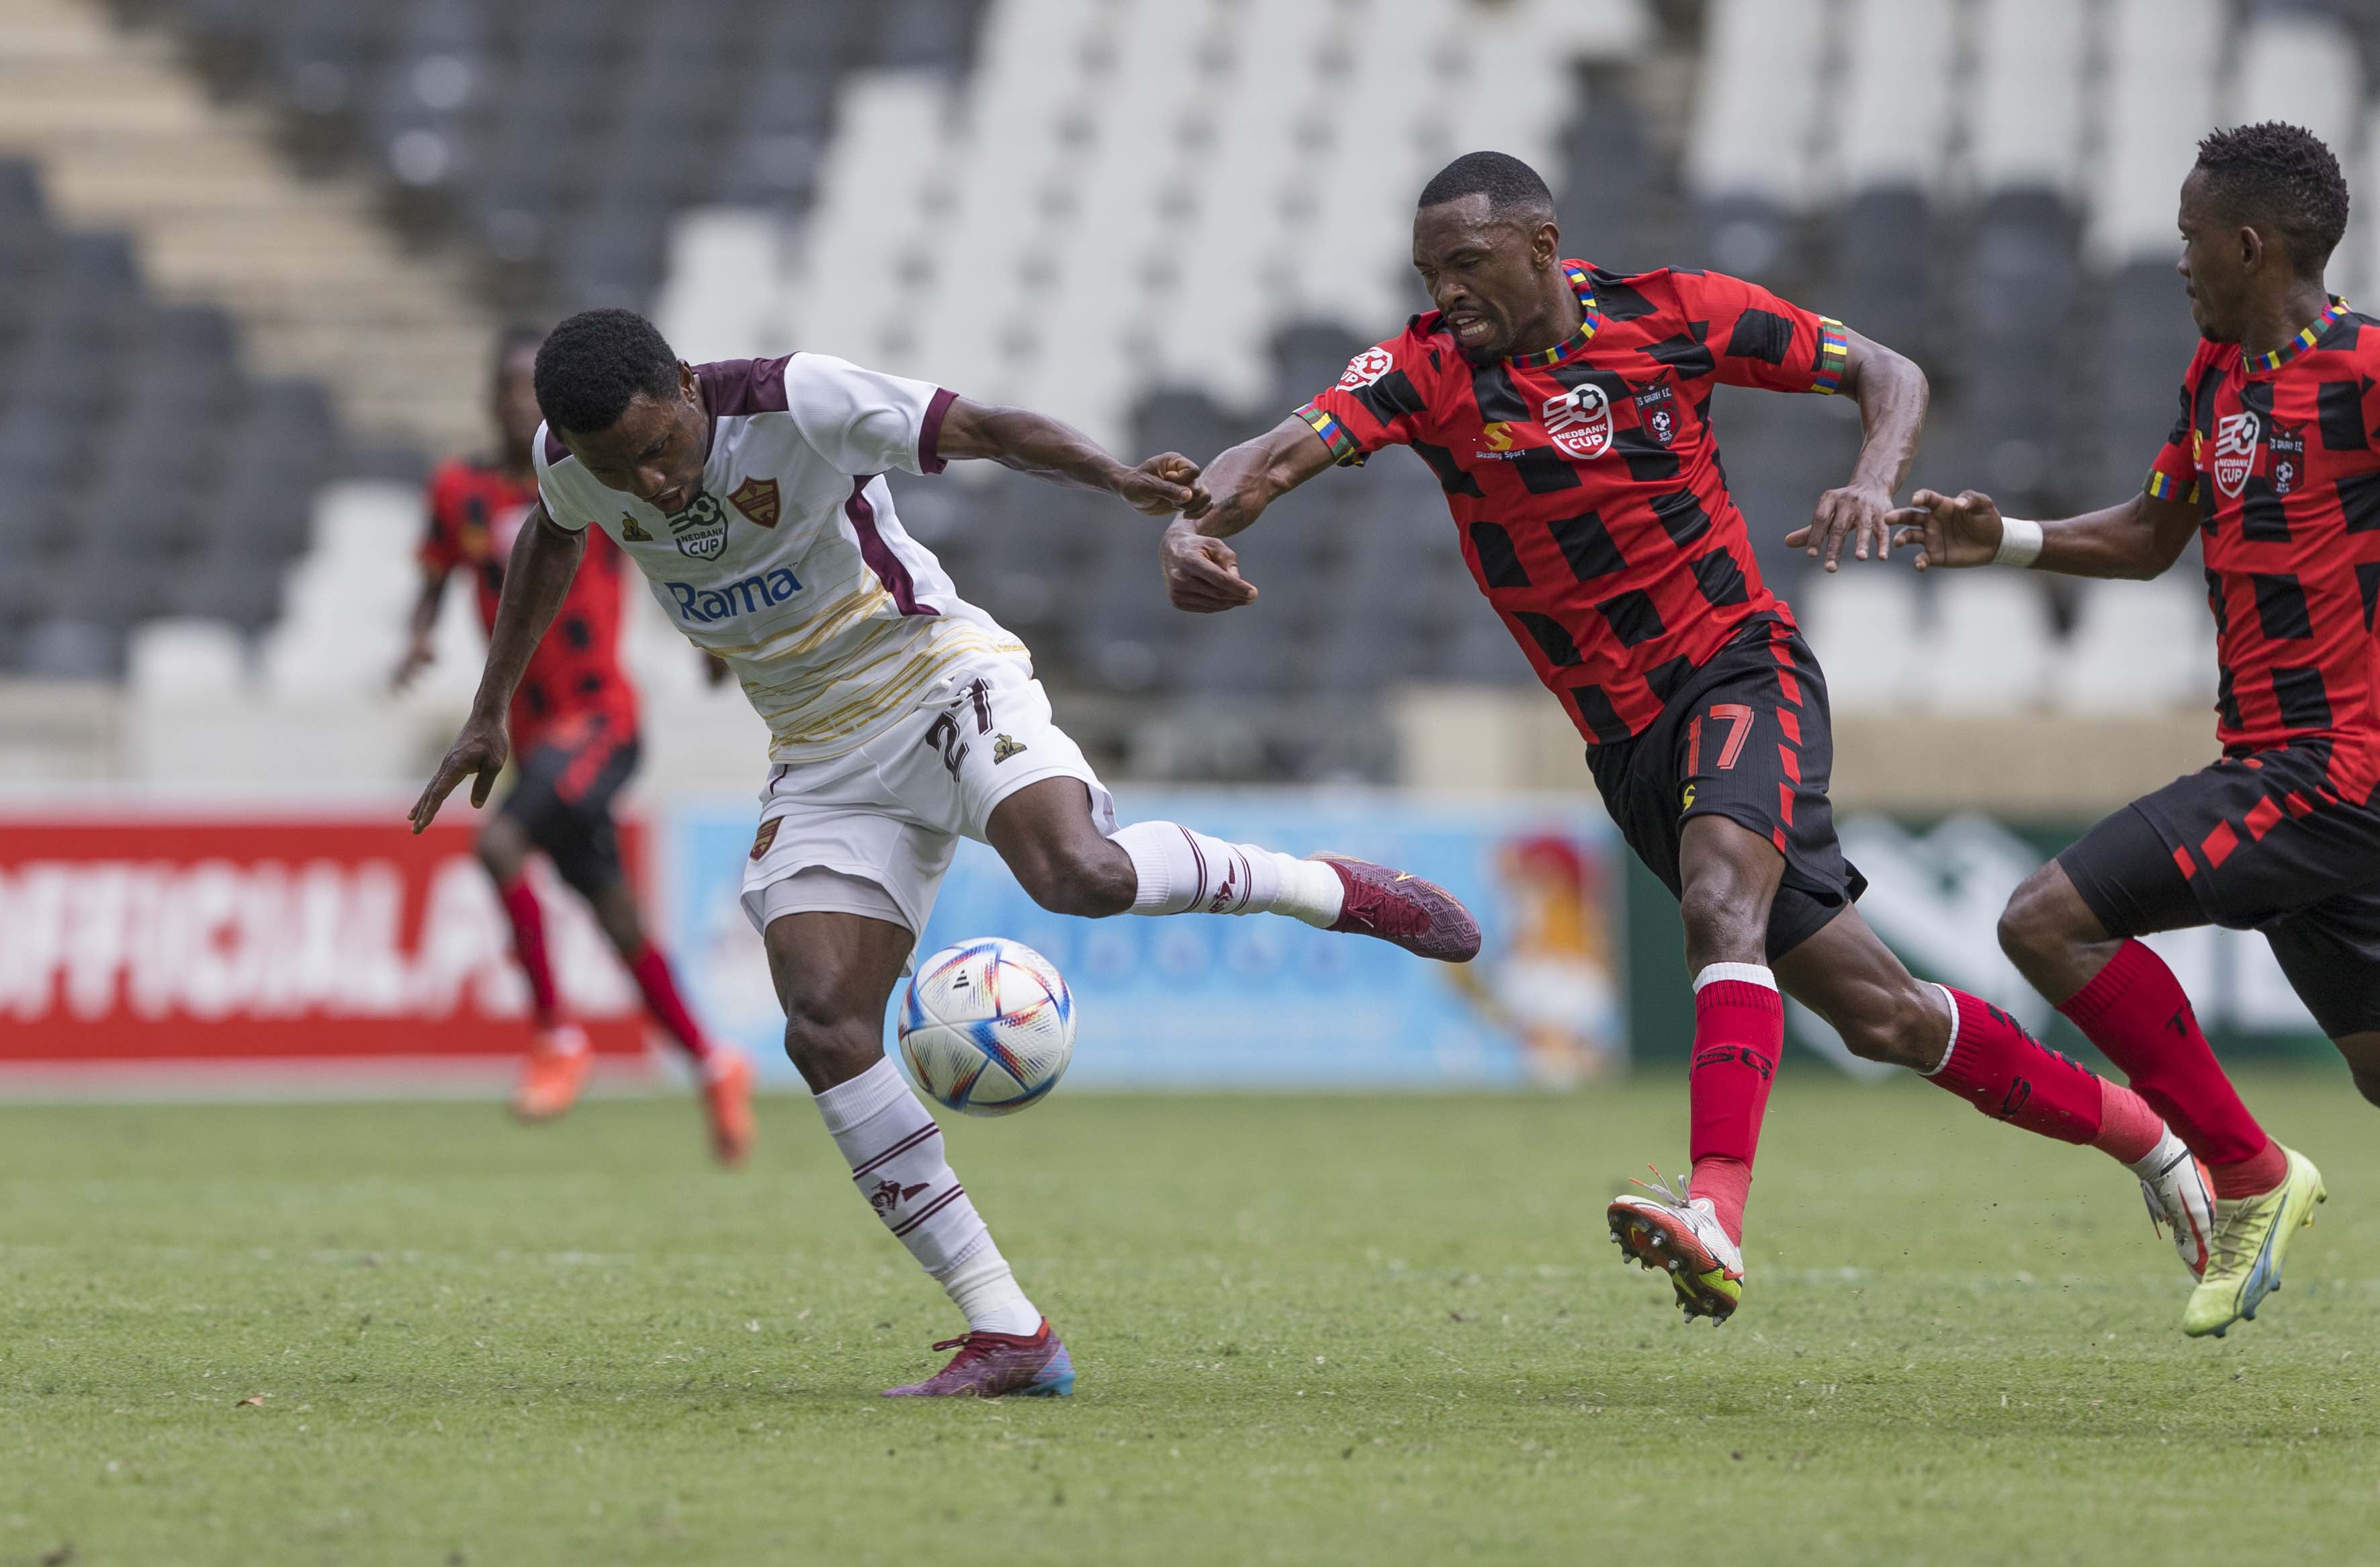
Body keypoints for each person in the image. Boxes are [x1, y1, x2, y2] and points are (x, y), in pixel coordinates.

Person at [1161, 151, 2213, 1326]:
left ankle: (1712, 1210)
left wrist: (1871, 481)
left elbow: (1887, 370)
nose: (1444, 292)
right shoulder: (1422, 371)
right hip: (1624, 745)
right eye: (1427, 274)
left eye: (1463, 264)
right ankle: (2150, 1139)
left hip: (1735, 666)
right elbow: (1269, 455)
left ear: (1541, 246)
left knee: (1719, 901)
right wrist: (1192, 530)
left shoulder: (1672, 315)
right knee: (1883, 1015)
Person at [408, 308, 1481, 1398]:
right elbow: (552, 533)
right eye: (618, 469)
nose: (651, 482)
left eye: (660, 448)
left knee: (1079, 875)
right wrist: (490, 709)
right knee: (823, 1025)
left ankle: (1325, 887)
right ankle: (1008, 1329)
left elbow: (990, 429)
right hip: (818, 753)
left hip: (936, 680)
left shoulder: (797, 398)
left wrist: (1117, 481)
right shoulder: (572, 461)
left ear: (686, 386)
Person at [1890, 122, 2354, 1338]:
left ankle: (2247, 1175)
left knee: (2043, 920)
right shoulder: (2215, 378)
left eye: (2190, 239)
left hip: (2325, 771)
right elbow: (2153, 534)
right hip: (2284, 770)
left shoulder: (2363, 372)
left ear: (2248, 246)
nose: (2178, 261)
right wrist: (2005, 542)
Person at [395, 327, 754, 1164]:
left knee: (499, 846)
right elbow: (435, 573)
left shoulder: (592, 474)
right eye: (509, 388)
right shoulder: (459, 490)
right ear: (490, 398)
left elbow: (672, 553)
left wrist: (710, 640)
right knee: (615, 915)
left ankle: (556, 1037)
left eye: (534, 390)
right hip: (529, 736)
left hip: (600, 720)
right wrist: (418, 635)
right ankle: (714, 1063)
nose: (521, 403)